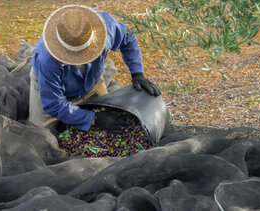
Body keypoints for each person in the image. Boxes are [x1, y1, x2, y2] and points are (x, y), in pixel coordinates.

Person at [29, 5, 161, 133]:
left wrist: (137, 73)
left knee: (113, 114)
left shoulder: (106, 27)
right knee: (41, 134)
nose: (79, 61)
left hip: (90, 82)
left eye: (85, 55)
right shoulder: (47, 59)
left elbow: (128, 37)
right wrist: (96, 120)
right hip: (51, 90)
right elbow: (54, 104)